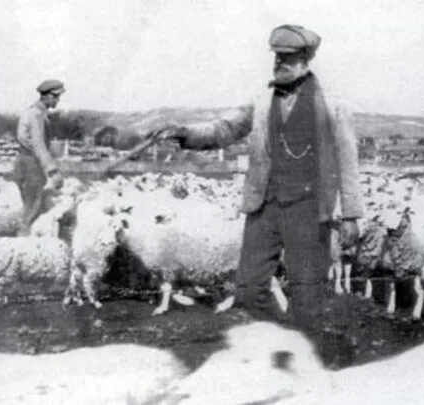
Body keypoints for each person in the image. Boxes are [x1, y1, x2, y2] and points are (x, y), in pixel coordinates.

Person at [148, 24, 363, 364]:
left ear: (305, 59)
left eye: (287, 58)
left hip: (310, 209)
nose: (279, 63)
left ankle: (305, 363)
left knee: (307, 295)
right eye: (277, 57)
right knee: (248, 290)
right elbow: (224, 130)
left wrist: (351, 215)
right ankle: (285, 338)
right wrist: (184, 133)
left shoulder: (333, 106)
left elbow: (348, 161)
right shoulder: (262, 101)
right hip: (265, 205)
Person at [13, 79, 65, 235]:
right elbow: (38, 144)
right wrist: (53, 171)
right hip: (32, 166)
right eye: (56, 96)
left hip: (24, 162)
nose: (58, 100)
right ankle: (24, 242)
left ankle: (24, 238)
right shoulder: (36, 115)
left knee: (29, 206)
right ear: (47, 96)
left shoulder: (33, 112)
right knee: (32, 209)